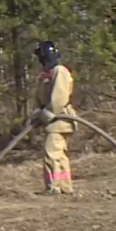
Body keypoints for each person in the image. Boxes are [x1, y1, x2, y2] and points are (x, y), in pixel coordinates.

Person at [34, 40, 77, 195]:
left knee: (51, 153)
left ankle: (54, 187)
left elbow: (60, 96)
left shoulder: (60, 71)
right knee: (60, 156)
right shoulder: (47, 74)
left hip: (59, 120)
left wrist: (47, 113)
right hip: (53, 121)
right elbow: (40, 98)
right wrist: (37, 113)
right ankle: (64, 186)